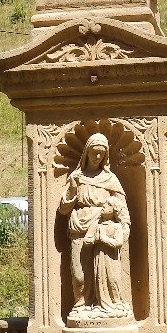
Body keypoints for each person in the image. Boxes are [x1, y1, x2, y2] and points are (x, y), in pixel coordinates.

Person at [57, 132, 132, 322]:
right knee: (79, 275)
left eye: (101, 153)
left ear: (106, 155)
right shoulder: (77, 177)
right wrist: (73, 188)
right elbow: (63, 209)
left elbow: (121, 207)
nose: (97, 156)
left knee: (104, 274)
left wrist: (123, 229)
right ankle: (81, 306)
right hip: (79, 227)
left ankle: (105, 305)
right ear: (87, 152)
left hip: (102, 228)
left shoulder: (110, 179)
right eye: (94, 152)